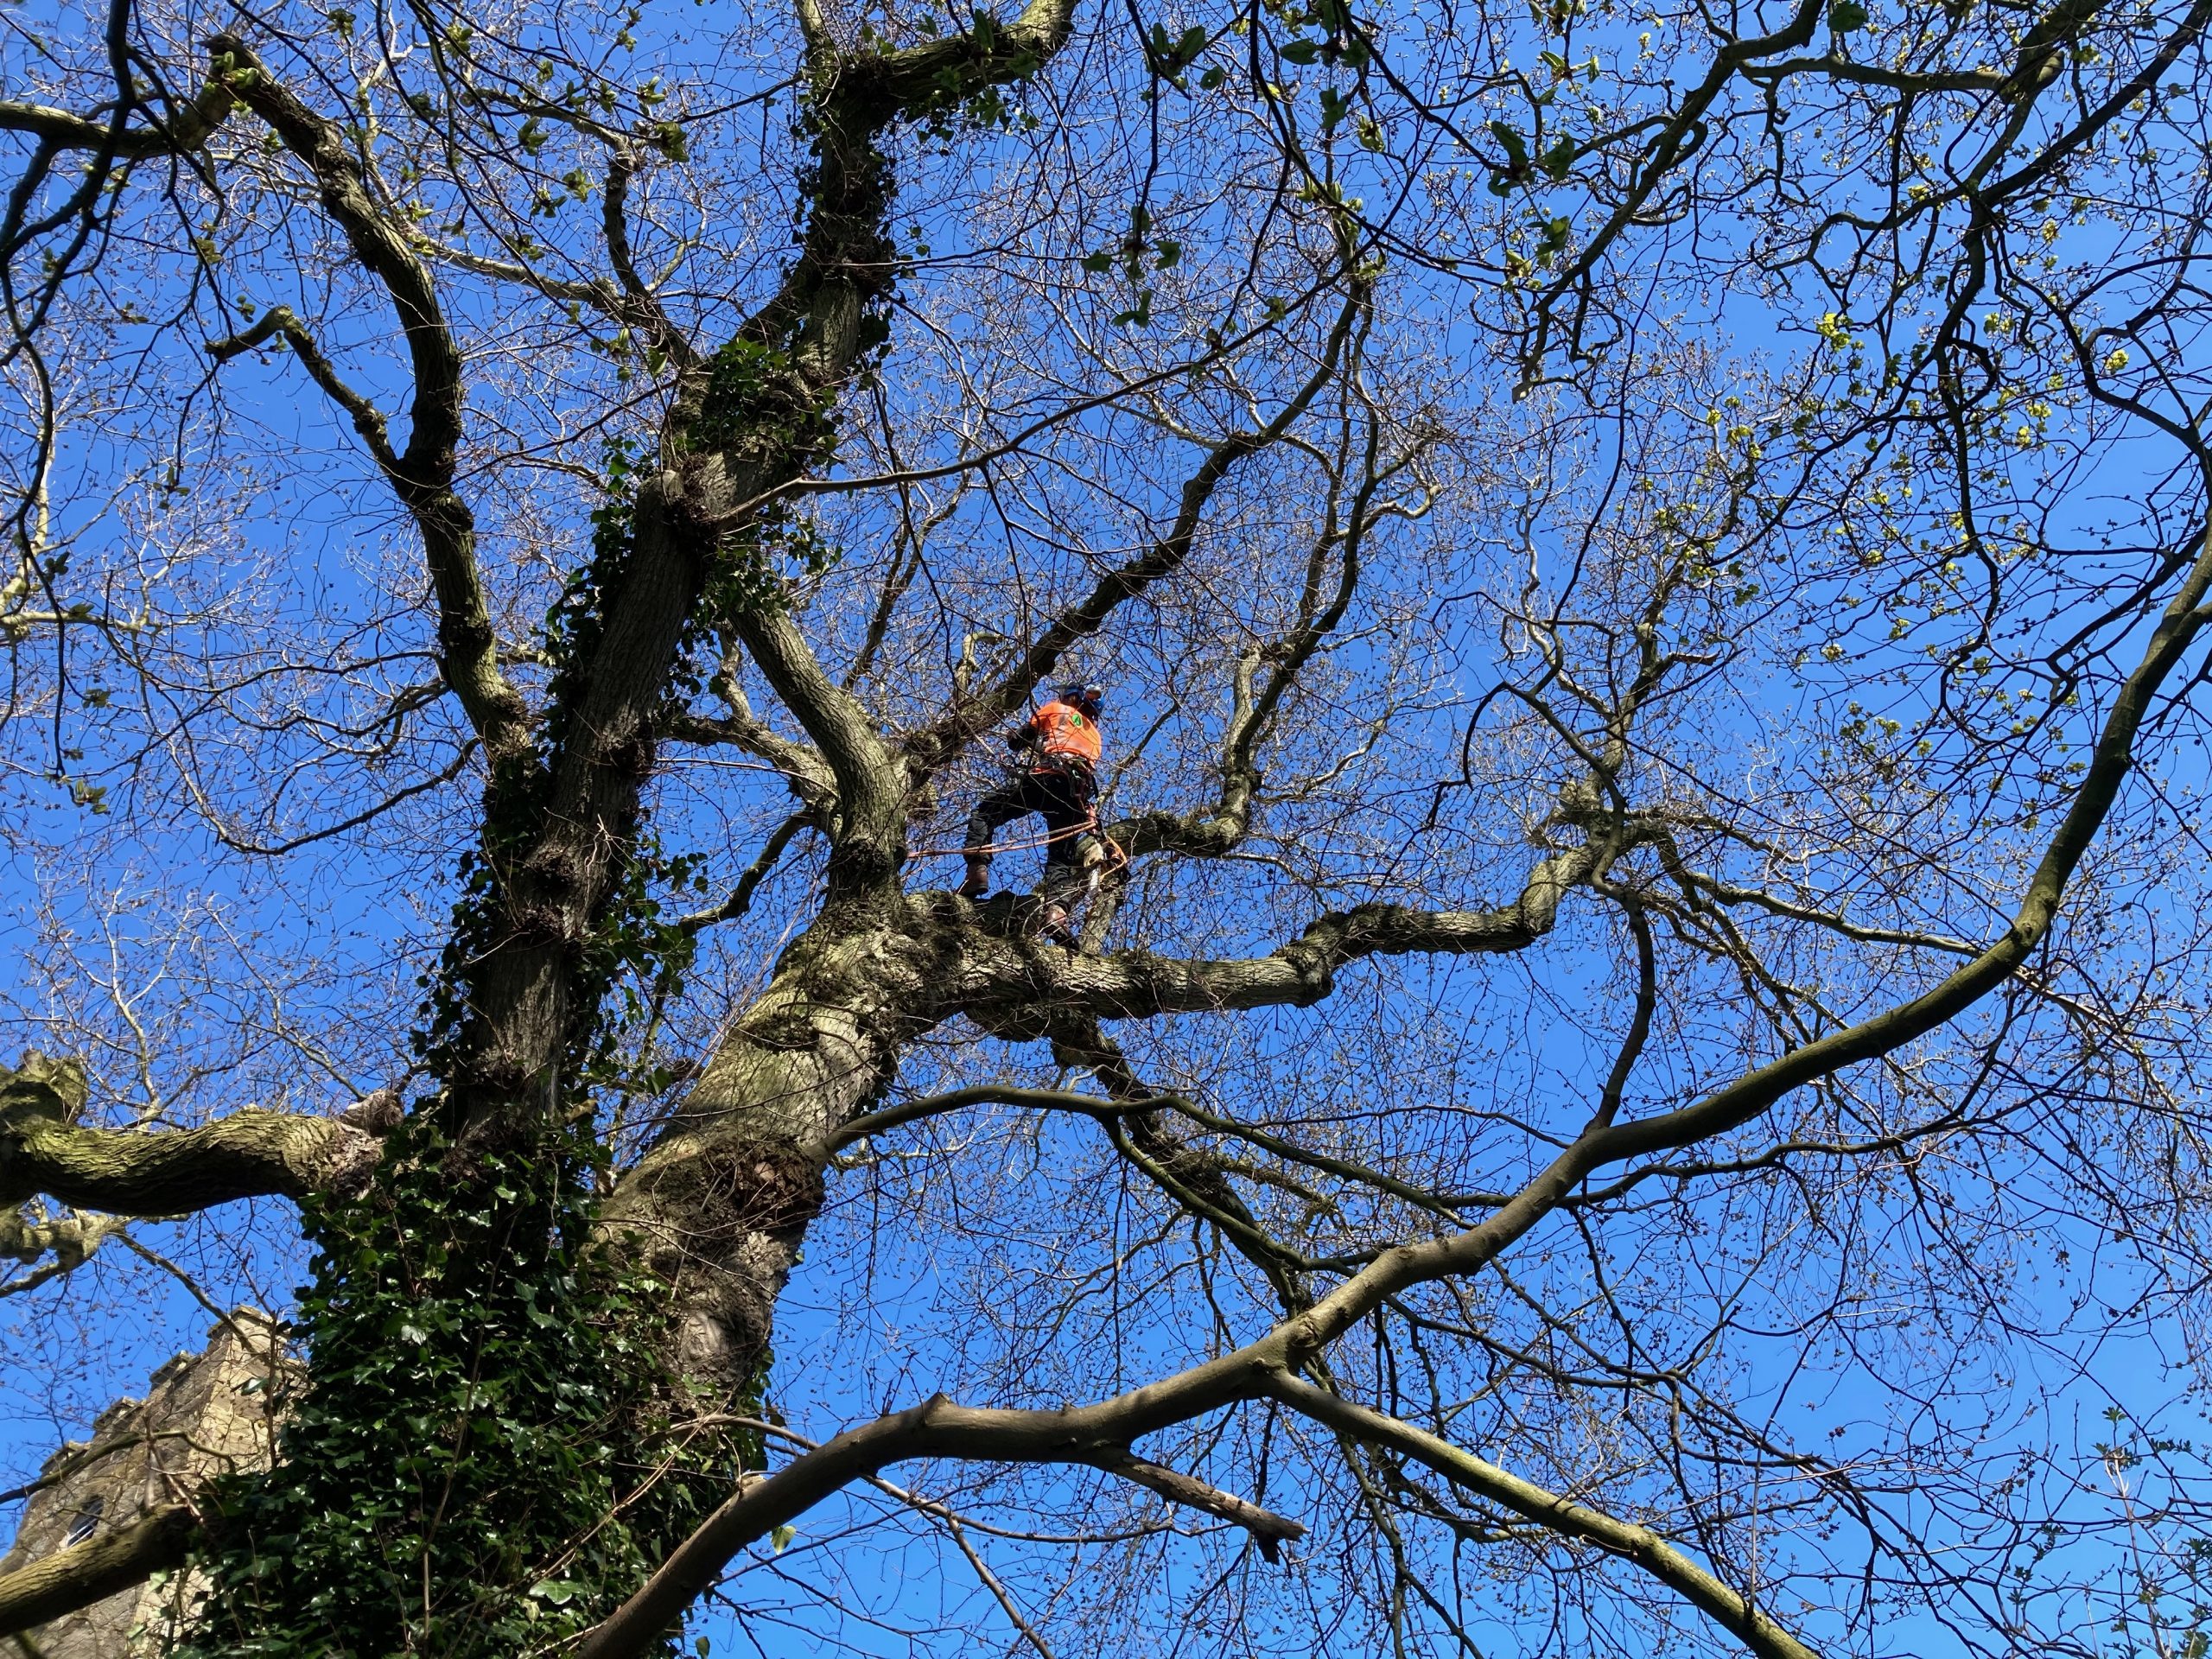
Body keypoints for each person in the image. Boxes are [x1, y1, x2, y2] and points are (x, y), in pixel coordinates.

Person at [961, 683, 1107, 939]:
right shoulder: (1095, 735)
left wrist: (1015, 737)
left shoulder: (1055, 709)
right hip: (1075, 796)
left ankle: (976, 872)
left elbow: (1019, 741)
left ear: (1072, 698)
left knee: (987, 812)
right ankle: (1057, 913)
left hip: (1047, 778)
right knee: (1060, 859)